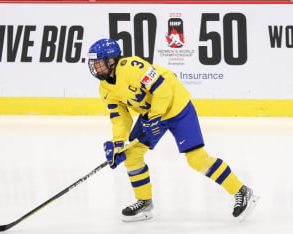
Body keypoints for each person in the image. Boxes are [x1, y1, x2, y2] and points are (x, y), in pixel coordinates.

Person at [87, 38, 259, 222]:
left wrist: (155, 117)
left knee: (197, 159)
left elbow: (164, 90)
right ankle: (144, 202)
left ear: (112, 60)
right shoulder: (105, 88)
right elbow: (120, 118)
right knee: (132, 155)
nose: (96, 68)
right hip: (151, 114)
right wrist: (118, 143)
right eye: (93, 64)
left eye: (99, 63)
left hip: (178, 108)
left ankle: (241, 190)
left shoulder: (133, 66)